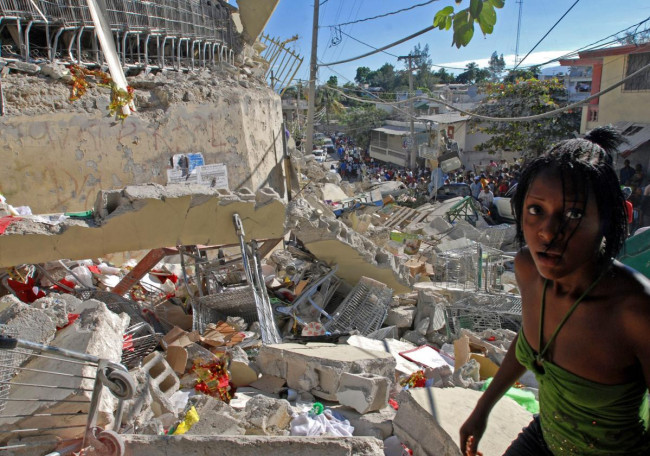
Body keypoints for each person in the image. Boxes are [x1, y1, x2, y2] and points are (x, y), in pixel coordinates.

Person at [460, 126, 650, 456]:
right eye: (536, 210)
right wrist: (482, 410)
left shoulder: (634, 310)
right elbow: (530, 337)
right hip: (544, 438)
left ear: (605, 219)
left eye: (573, 214)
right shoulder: (527, 270)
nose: (547, 232)